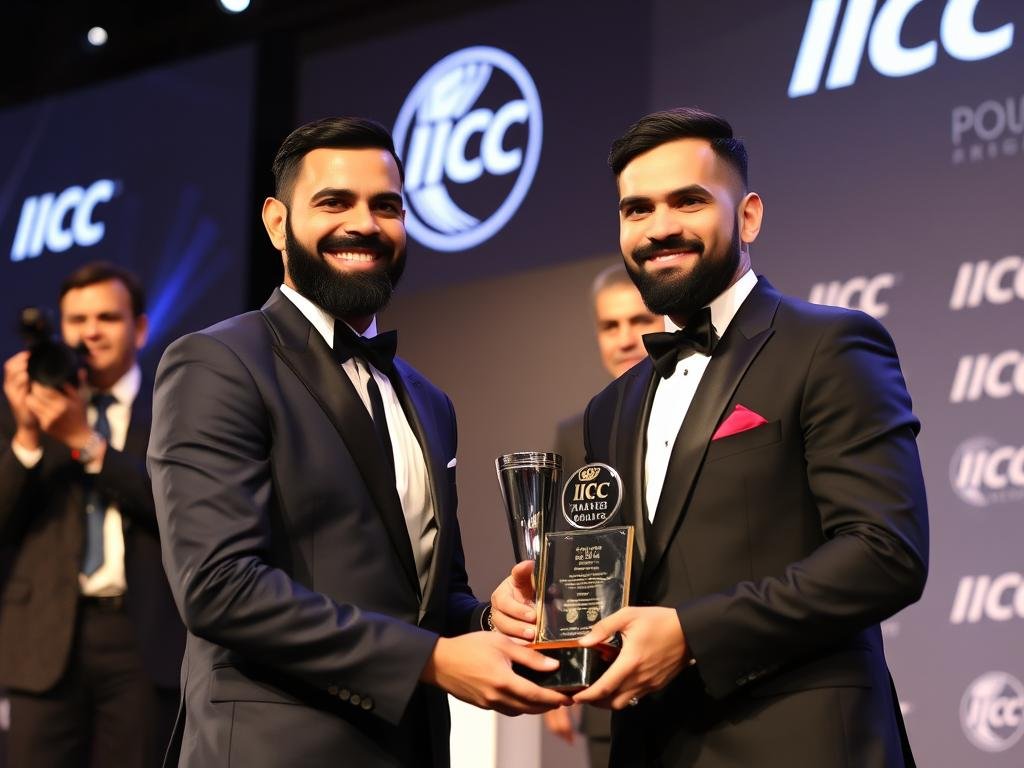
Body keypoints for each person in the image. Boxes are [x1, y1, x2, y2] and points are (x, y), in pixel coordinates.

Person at [492, 107, 928, 767]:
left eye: (688, 201)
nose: (660, 227)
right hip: (651, 748)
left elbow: (885, 552)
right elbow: (622, 584)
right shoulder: (611, 407)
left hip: (801, 742)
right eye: (637, 210)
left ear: (747, 215)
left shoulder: (828, 345)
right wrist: (548, 606)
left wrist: (692, 634)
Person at [147, 117, 569, 768]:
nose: (365, 224)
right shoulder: (216, 362)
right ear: (276, 221)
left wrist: (490, 620)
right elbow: (219, 586)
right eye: (334, 202)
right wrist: (430, 659)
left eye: (387, 206)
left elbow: (427, 598)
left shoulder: (429, 401)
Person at [0, 262, 184, 767]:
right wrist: (27, 438)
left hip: (143, 637)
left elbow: (181, 509)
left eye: (107, 317)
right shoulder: (28, 408)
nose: (91, 332)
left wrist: (84, 441)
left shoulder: (176, 404)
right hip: (43, 635)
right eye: (77, 320)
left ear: (140, 328)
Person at [545, 264, 662, 767]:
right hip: (604, 680)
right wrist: (561, 669)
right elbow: (567, 560)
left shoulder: (704, 414)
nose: (625, 339)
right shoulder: (575, 435)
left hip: (697, 665)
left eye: (639, 320)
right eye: (610, 326)